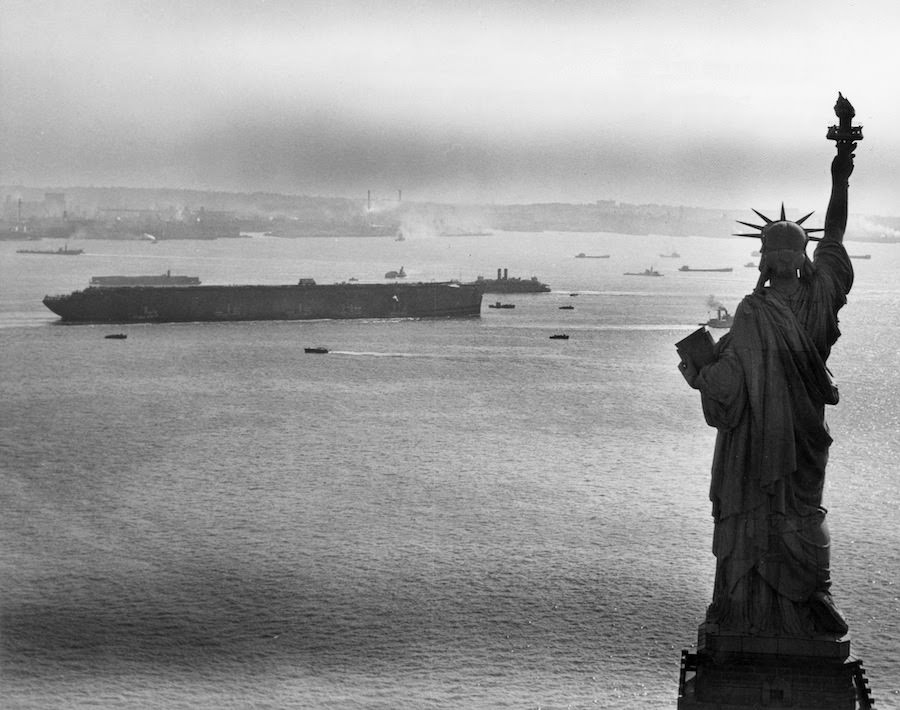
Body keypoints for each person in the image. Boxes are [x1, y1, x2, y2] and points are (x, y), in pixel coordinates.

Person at [679, 139, 856, 637]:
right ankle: (814, 594)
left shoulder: (752, 312)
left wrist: (698, 373)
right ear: (803, 258)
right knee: (803, 509)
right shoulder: (822, 295)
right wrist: (840, 180)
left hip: (756, 447)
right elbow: (835, 233)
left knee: (751, 513)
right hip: (804, 435)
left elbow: (728, 385)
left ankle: (738, 606)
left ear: (763, 261)